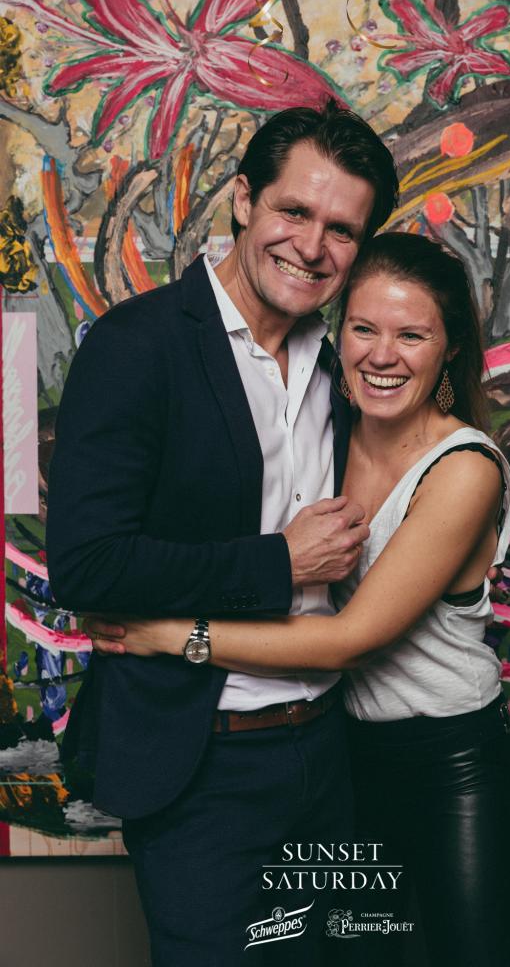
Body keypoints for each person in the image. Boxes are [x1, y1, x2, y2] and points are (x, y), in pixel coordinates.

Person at [91, 233, 510, 967]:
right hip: (342, 757)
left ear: (449, 348)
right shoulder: (325, 431)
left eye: (411, 335)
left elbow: (348, 639)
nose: (382, 355)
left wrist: (173, 634)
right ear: (337, 332)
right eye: (363, 328)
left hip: (449, 762)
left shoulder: (463, 469)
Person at [45, 100, 399, 967]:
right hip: (202, 765)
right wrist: (278, 563)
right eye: (293, 211)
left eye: (341, 230)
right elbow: (88, 565)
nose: (311, 247)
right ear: (243, 200)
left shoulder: (346, 361)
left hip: (329, 751)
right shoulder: (138, 346)